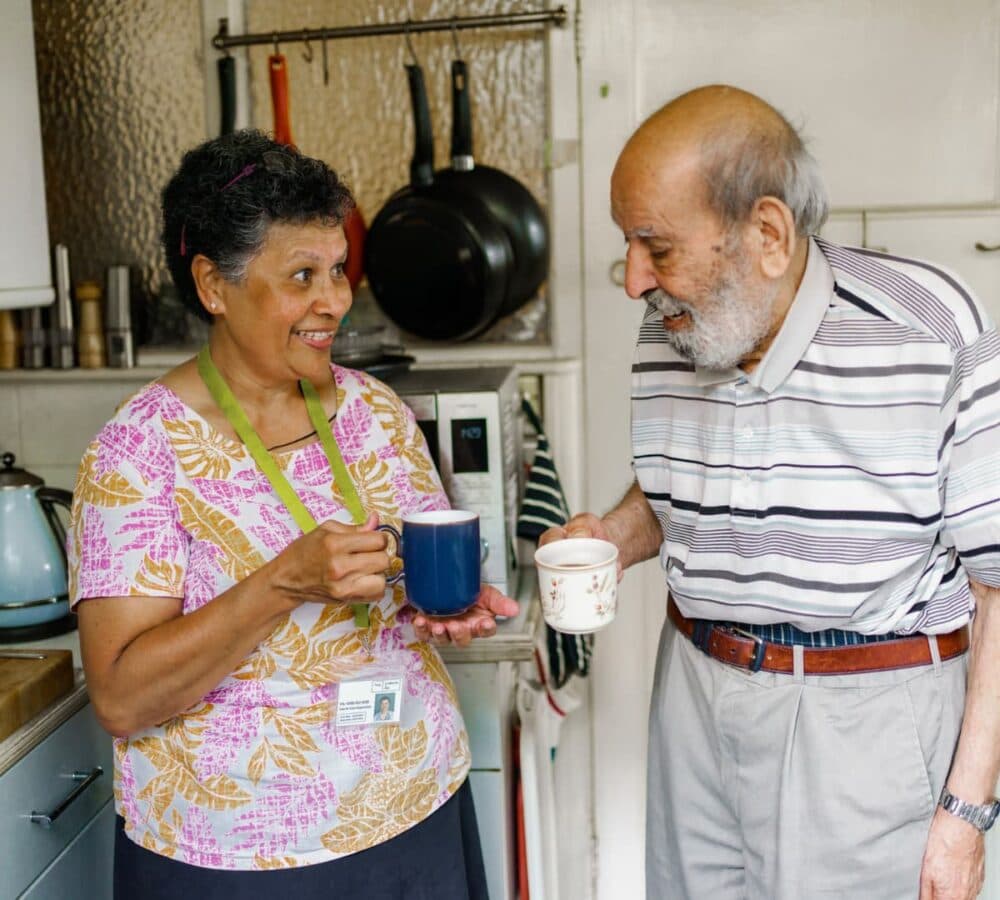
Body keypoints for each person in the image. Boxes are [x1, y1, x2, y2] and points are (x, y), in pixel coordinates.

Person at [541, 85, 1000, 900]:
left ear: (767, 233)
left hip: (865, 713)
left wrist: (967, 811)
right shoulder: (673, 325)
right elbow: (677, 484)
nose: (634, 281)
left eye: (657, 245)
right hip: (694, 692)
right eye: (628, 246)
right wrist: (612, 533)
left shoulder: (930, 330)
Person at [67, 129, 517, 899]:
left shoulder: (374, 411)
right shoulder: (138, 453)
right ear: (213, 284)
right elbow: (120, 696)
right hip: (239, 857)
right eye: (302, 275)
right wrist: (282, 583)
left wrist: (442, 605)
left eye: (338, 268)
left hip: (415, 807)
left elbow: (406, 580)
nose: (335, 301)